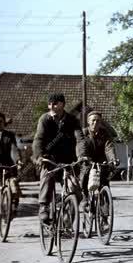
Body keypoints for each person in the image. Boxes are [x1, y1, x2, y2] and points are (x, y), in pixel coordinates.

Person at [32, 93, 83, 224]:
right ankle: (44, 206)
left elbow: (80, 139)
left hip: (68, 160)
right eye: (50, 104)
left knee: (76, 190)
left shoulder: (72, 120)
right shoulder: (45, 119)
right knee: (47, 176)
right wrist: (40, 156)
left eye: (55, 103)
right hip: (50, 159)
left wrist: (82, 155)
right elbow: (39, 139)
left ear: (62, 104)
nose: (52, 106)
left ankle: (66, 214)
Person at [78, 111, 118, 210]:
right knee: (85, 174)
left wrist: (113, 159)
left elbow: (109, 147)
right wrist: (83, 156)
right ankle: (85, 197)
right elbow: (80, 146)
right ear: (88, 121)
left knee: (104, 183)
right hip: (87, 160)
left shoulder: (105, 133)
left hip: (101, 161)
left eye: (98, 121)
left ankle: (104, 217)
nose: (95, 123)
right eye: (93, 120)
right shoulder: (83, 133)